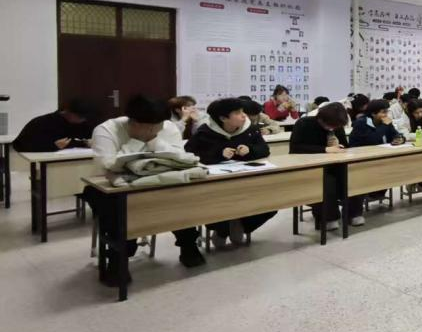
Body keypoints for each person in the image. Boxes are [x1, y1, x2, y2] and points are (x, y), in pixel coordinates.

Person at [89, 95, 204, 281]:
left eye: (158, 125)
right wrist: (136, 141)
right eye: (149, 126)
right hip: (117, 186)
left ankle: (188, 245)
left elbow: (180, 158)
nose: (154, 130)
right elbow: (108, 166)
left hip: (160, 181)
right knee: (118, 208)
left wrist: (152, 140)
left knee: (182, 197)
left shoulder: (167, 127)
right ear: (133, 121)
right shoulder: (106, 130)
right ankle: (118, 257)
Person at [185, 97, 275, 249]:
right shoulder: (205, 132)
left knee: (271, 202)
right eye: (238, 113)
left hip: (247, 179)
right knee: (218, 203)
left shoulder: (250, 129)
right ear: (223, 118)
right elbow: (189, 156)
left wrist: (250, 150)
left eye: (243, 111)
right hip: (216, 184)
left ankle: (239, 225)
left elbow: (264, 150)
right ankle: (223, 230)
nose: (244, 115)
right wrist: (218, 154)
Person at [289, 102, 362, 229]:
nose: (332, 128)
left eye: (335, 126)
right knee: (327, 182)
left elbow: (345, 146)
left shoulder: (336, 125)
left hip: (334, 165)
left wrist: (339, 145)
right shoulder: (304, 123)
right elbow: (295, 148)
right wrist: (324, 149)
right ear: (321, 118)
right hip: (311, 167)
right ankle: (329, 218)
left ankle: (353, 213)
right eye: (329, 125)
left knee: (353, 175)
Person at [13, 98, 97, 152]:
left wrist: (87, 143)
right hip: (48, 162)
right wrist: (53, 146)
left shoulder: (83, 124)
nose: (83, 120)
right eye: (81, 117)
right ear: (69, 112)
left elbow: (87, 138)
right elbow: (19, 145)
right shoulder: (42, 122)